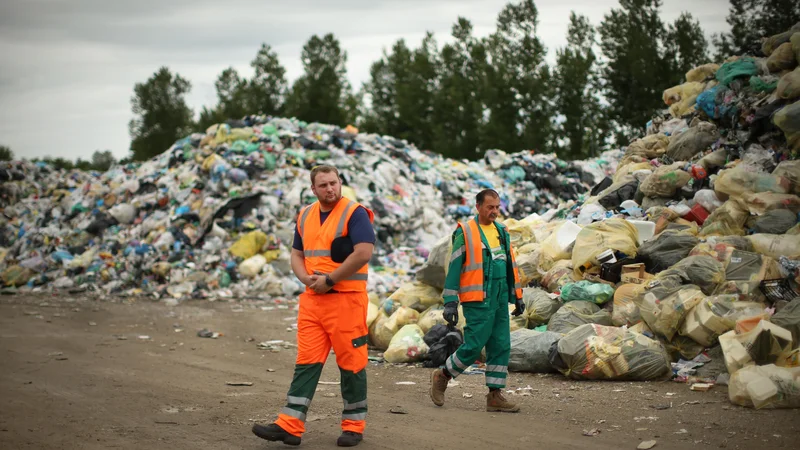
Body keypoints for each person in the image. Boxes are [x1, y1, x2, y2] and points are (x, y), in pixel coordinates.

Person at [252, 165, 375, 447]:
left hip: (346, 301)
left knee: (351, 365)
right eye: (323, 185)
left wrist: (330, 280)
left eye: (334, 183)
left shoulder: (354, 213)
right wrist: (305, 278)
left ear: (340, 183)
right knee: (306, 363)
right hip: (313, 301)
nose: (330, 189)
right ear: (313, 189)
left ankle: (354, 425)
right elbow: (297, 254)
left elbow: (364, 253)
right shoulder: (306, 215)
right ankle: (290, 426)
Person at [429, 189, 525, 412]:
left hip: (500, 297)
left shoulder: (502, 231)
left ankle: (494, 395)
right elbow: (454, 269)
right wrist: (450, 301)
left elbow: (510, 265)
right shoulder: (466, 232)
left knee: (501, 344)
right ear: (478, 207)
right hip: (478, 298)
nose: (494, 212)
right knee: (473, 346)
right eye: (489, 207)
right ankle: (442, 375)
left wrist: (517, 297)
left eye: (497, 207)